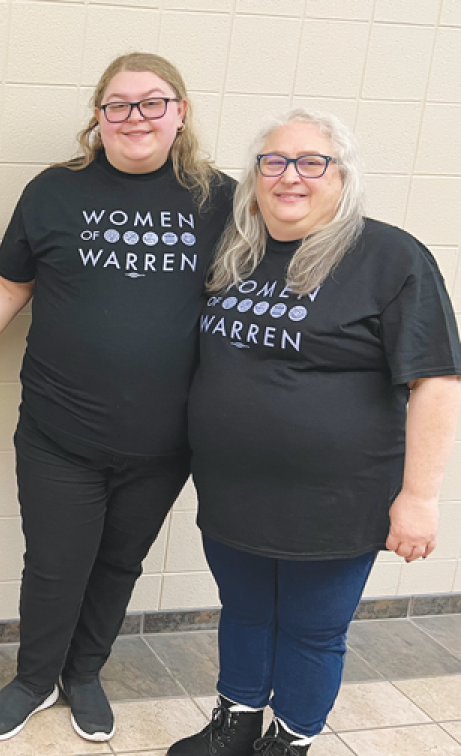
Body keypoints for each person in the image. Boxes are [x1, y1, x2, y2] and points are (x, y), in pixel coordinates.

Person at [0, 52, 235, 744]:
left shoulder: (222, 199)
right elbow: (9, 285)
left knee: (120, 562)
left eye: (152, 102)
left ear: (180, 112)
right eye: (118, 104)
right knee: (56, 563)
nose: (135, 117)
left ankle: (85, 673)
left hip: (166, 441)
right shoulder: (53, 193)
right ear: (98, 117)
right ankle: (36, 679)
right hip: (59, 432)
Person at [168, 110, 461, 756]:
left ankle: (291, 739)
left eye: (310, 162)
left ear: (343, 177)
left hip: (337, 501)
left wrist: (420, 498)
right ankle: (237, 720)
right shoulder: (236, 251)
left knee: (310, 629)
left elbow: (437, 381)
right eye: (273, 161)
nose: (289, 176)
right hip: (233, 491)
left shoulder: (390, 257)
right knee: (243, 611)